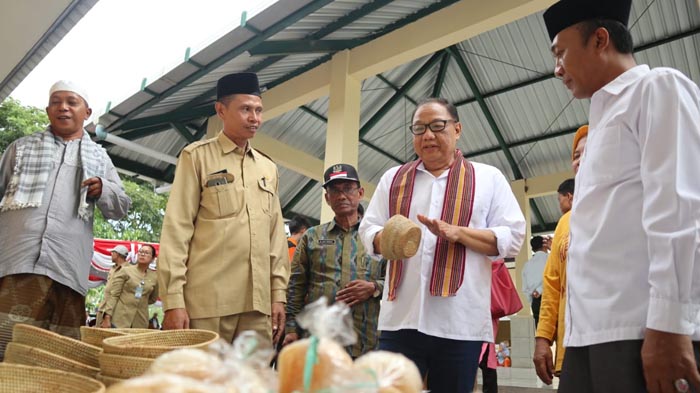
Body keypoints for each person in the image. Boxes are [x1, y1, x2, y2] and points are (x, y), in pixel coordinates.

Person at [544, 0, 700, 391]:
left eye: (561, 52)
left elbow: (679, 210)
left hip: (640, 331)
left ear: (600, 40)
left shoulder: (658, 88)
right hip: (587, 335)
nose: (556, 68)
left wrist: (669, 323)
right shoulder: (595, 129)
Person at [359, 97, 526, 393]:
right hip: (401, 319)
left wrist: (458, 233)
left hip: (459, 323)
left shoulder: (488, 178)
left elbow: (512, 237)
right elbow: (368, 227)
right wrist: (386, 239)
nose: (428, 135)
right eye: (419, 128)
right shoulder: (393, 179)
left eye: (437, 126)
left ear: (457, 129)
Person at [0, 80, 131, 360]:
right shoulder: (20, 149)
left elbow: (120, 207)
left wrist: (104, 189)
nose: (63, 107)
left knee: (58, 358)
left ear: (87, 112)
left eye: (72, 102)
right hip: (17, 264)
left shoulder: (100, 158)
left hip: (67, 271)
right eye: (56, 102)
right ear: (48, 110)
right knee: (6, 349)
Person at [158, 72, 288, 345]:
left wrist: (278, 295)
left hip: (258, 306)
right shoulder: (197, 157)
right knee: (202, 383)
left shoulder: (268, 168)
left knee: (252, 384)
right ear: (221, 110)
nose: (255, 118)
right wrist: (173, 300)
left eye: (258, 110)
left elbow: (276, 238)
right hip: (206, 305)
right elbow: (177, 230)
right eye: (245, 109)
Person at [283, 164, 386, 358]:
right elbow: (296, 286)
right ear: (326, 198)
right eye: (334, 191)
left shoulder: (379, 237)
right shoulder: (312, 236)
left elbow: (396, 281)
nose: (341, 196)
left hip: (366, 341)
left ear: (360, 193)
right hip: (320, 340)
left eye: (348, 189)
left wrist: (374, 287)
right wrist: (291, 329)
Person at [532, 175, 578, 384]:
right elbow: (552, 284)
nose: (579, 161)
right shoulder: (564, 223)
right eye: (575, 156)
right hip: (572, 341)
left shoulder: (623, 205)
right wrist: (543, 338)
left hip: (619, 336)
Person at [101, 244, 159, 329]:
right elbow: (114, 295)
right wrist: (107, 317)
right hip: (120, 320)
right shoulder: (125, 271)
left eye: (146, 253)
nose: (142, 254)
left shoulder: (155, 277)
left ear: (153, 258)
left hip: (140, 321)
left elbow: (152, 299)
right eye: (141, 252)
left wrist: (139, 302)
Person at [96, 244, 130, 326]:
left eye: (113, 253)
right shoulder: (112, 268)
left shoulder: (128, 270)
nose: (111, 254)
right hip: (103, 307)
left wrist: (108, 314)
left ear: (118, 254)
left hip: (115, 311)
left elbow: (116, 293)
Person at [521, 235, 549, 328]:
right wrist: (540, 290)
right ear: (544, 245)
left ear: (533, 249)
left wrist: (532, 299)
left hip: (535, 302)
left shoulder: (527, 265)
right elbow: (553, 278)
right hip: (550, 298)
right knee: (557, 333)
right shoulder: (550, 259)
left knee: (541, 334)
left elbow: (524, 288)